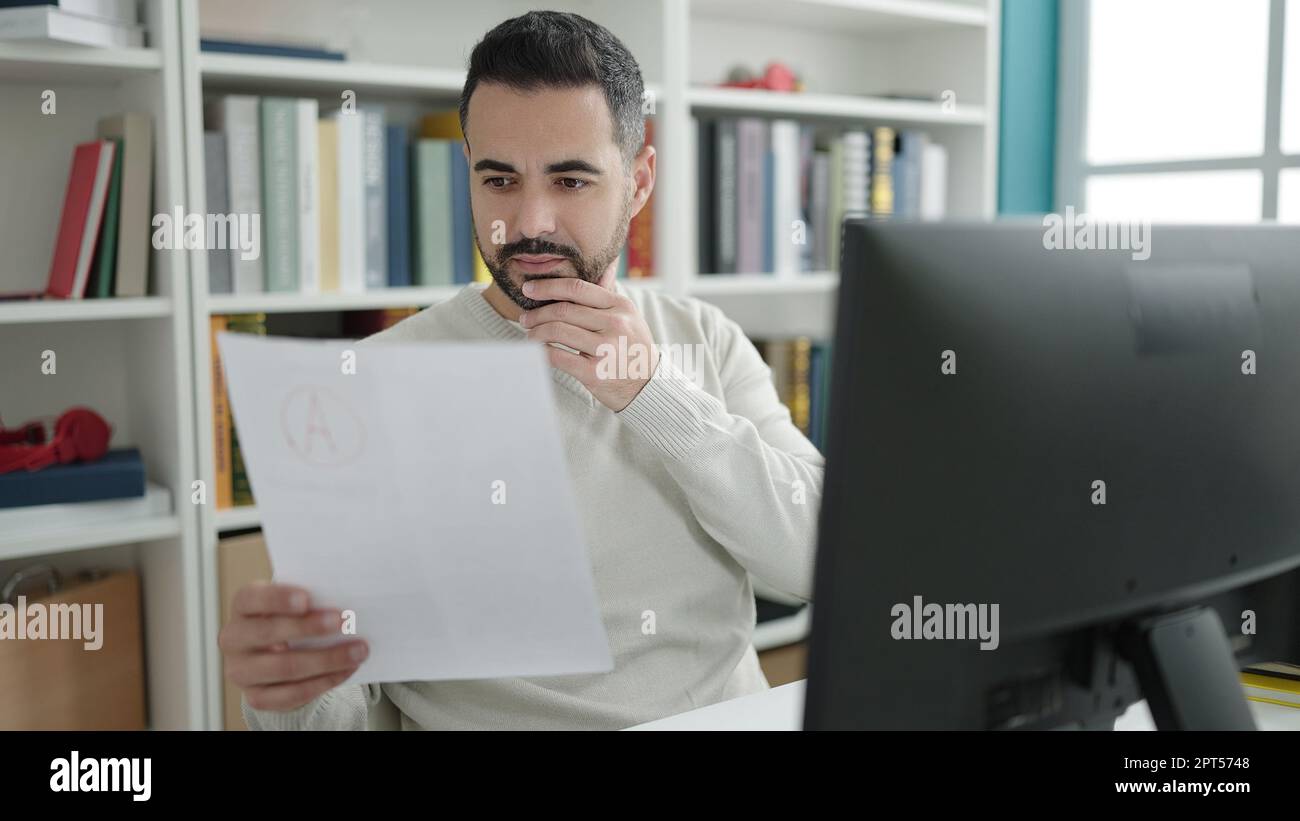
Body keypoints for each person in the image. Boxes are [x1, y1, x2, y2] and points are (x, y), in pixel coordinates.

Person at [220, 10, 823, 730]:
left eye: (571, 181)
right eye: (499, 178)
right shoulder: (377, 380)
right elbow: (352, 713)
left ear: (638, 182)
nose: (529, 221)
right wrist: (286, 693)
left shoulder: (704, 341)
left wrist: (651, 393)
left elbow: (817, 559)